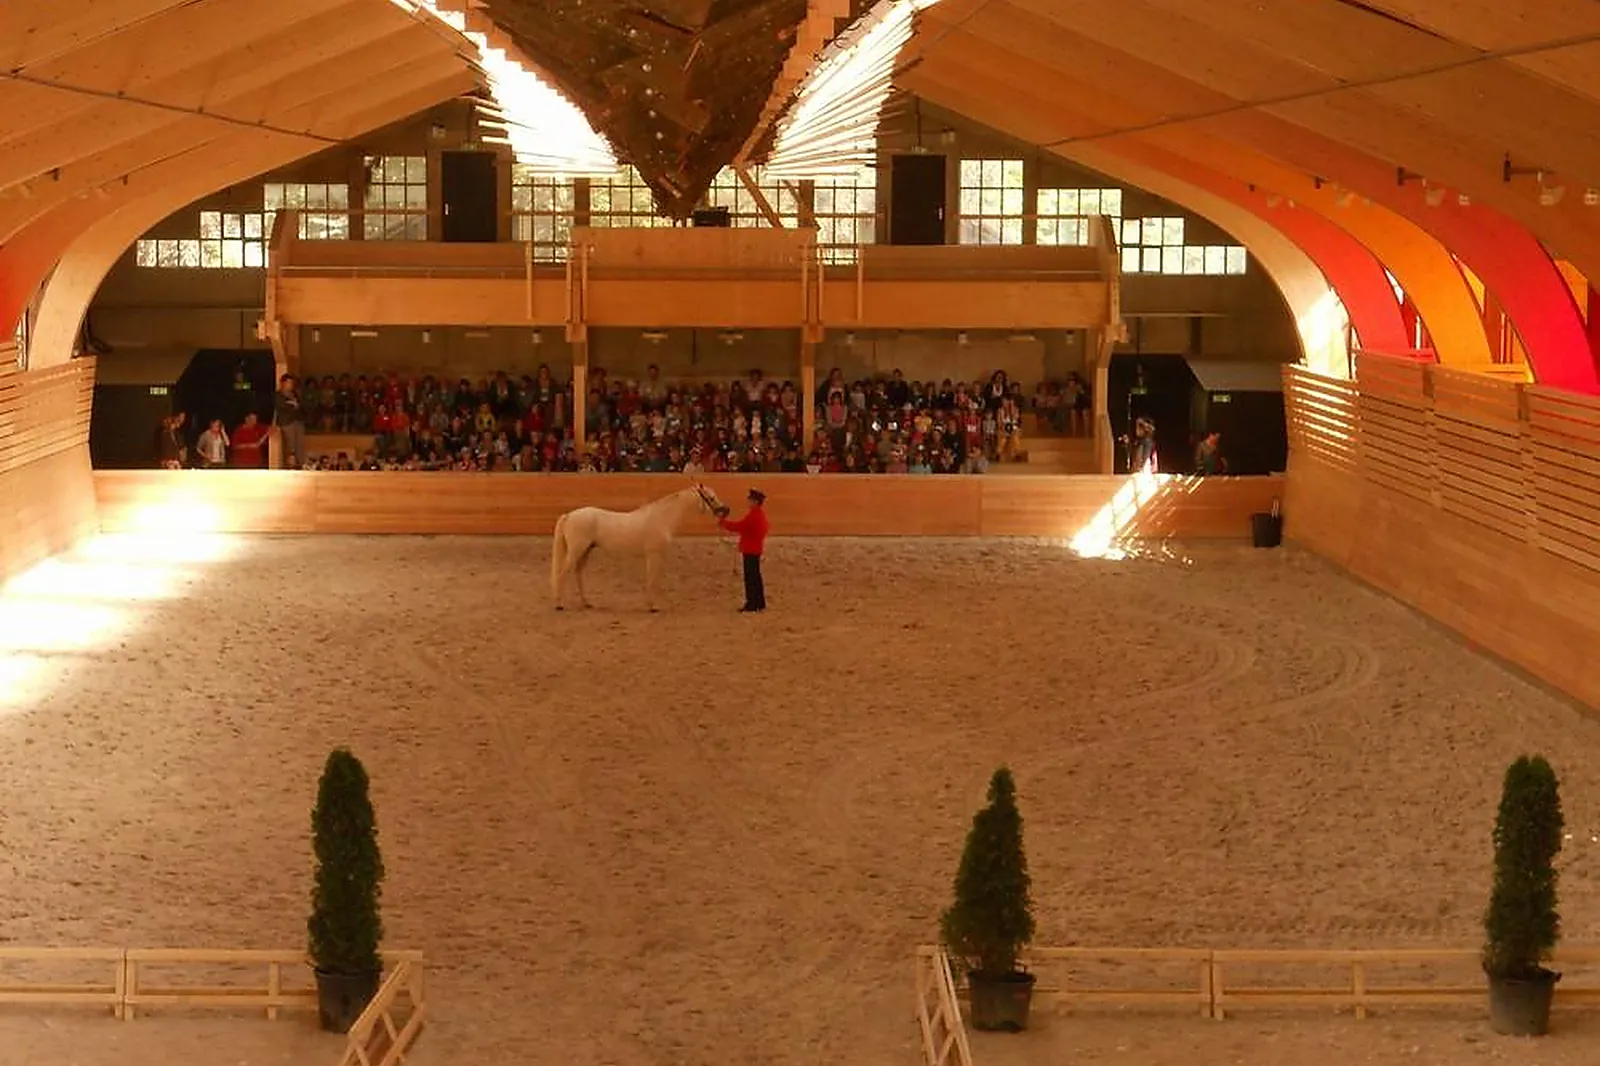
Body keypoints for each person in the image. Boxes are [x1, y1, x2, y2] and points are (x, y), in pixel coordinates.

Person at [718, 488, 770, 613]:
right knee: (755, 577)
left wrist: (723, 523)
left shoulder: (754, 516)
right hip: (755, 549)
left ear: (755, 502)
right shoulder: (759, 515)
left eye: (750, 499)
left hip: (750, 550)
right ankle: (759, 603)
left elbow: (739, 526)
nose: (748, 501)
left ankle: (752, 604)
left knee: (750, 578)